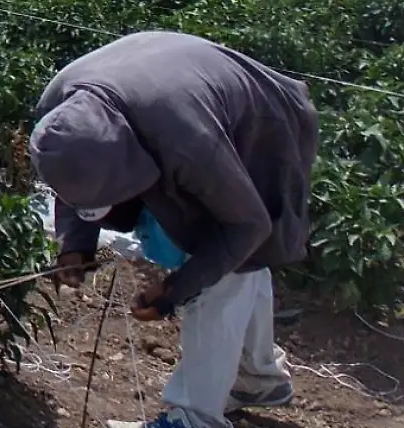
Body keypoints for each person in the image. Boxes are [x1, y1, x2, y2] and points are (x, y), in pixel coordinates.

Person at [32, 32, 318, 428]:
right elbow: (74, 171)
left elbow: (246, 225)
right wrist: (73, 245)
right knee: (236, 265)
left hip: (263, 124)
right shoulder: (59, 110)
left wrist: (175, 290)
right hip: (178, 99)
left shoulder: (187, 140)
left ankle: (194, 419)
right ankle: (259, 378)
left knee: (228, 264)